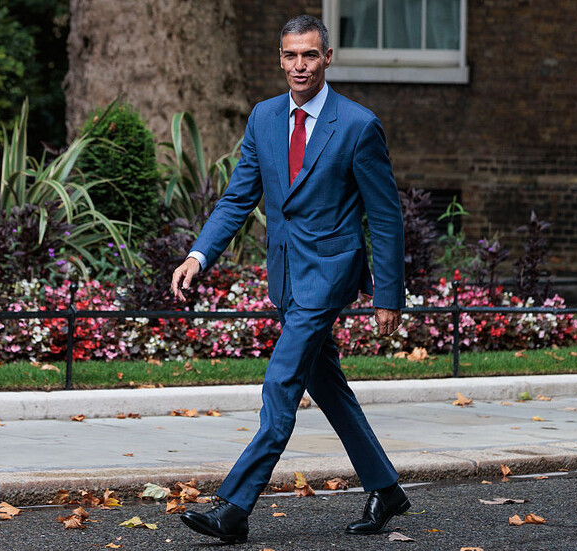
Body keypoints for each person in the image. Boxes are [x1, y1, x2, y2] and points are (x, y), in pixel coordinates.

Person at [170, 14, 409, 544]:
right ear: (280, 59)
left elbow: (385, 216)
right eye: (290, 55)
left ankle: (234, 507)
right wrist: (199, 255)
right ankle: (385, 488)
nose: (300, 65)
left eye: (309, 55)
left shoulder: (358, 125)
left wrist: (388, 294)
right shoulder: (264, 117)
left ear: (327, 58)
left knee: (281, 383)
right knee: (327, 385)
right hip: (285, 274)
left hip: (329, 273)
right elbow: (238, 197)